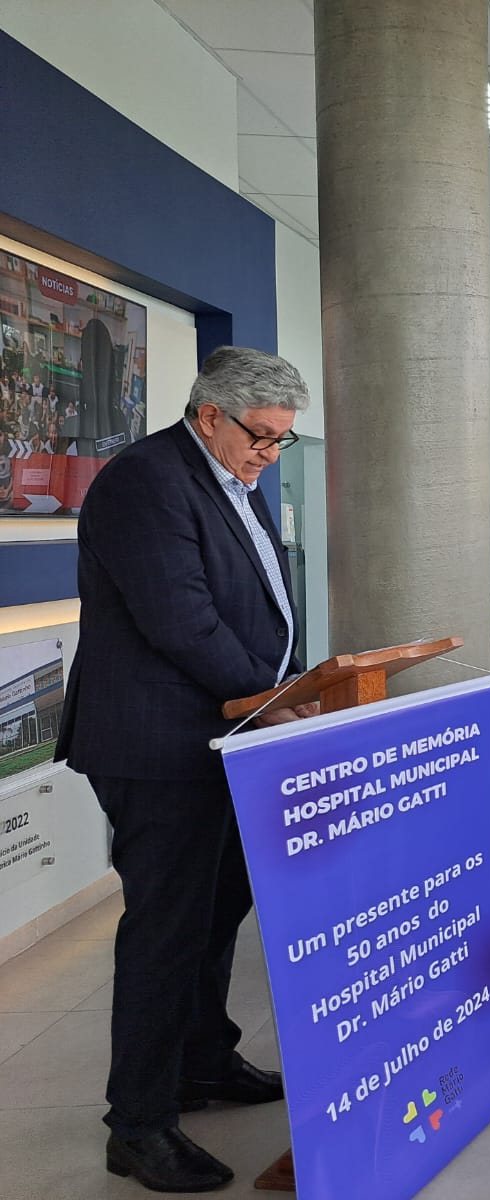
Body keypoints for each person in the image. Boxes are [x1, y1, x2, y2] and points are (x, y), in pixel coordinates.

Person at [55, 346, 315, 1193]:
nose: (269, 455)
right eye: (263, 437)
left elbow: (256, 599)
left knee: (215, 915)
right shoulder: (145, 481)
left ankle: (204, 1060)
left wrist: (284, 690)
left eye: (282, 442)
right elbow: (181, 617)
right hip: (159, 747)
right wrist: (269, 696)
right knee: (167, 931)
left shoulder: (230, 479)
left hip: (224, 741)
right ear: (211, 414)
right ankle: (137, 1123)